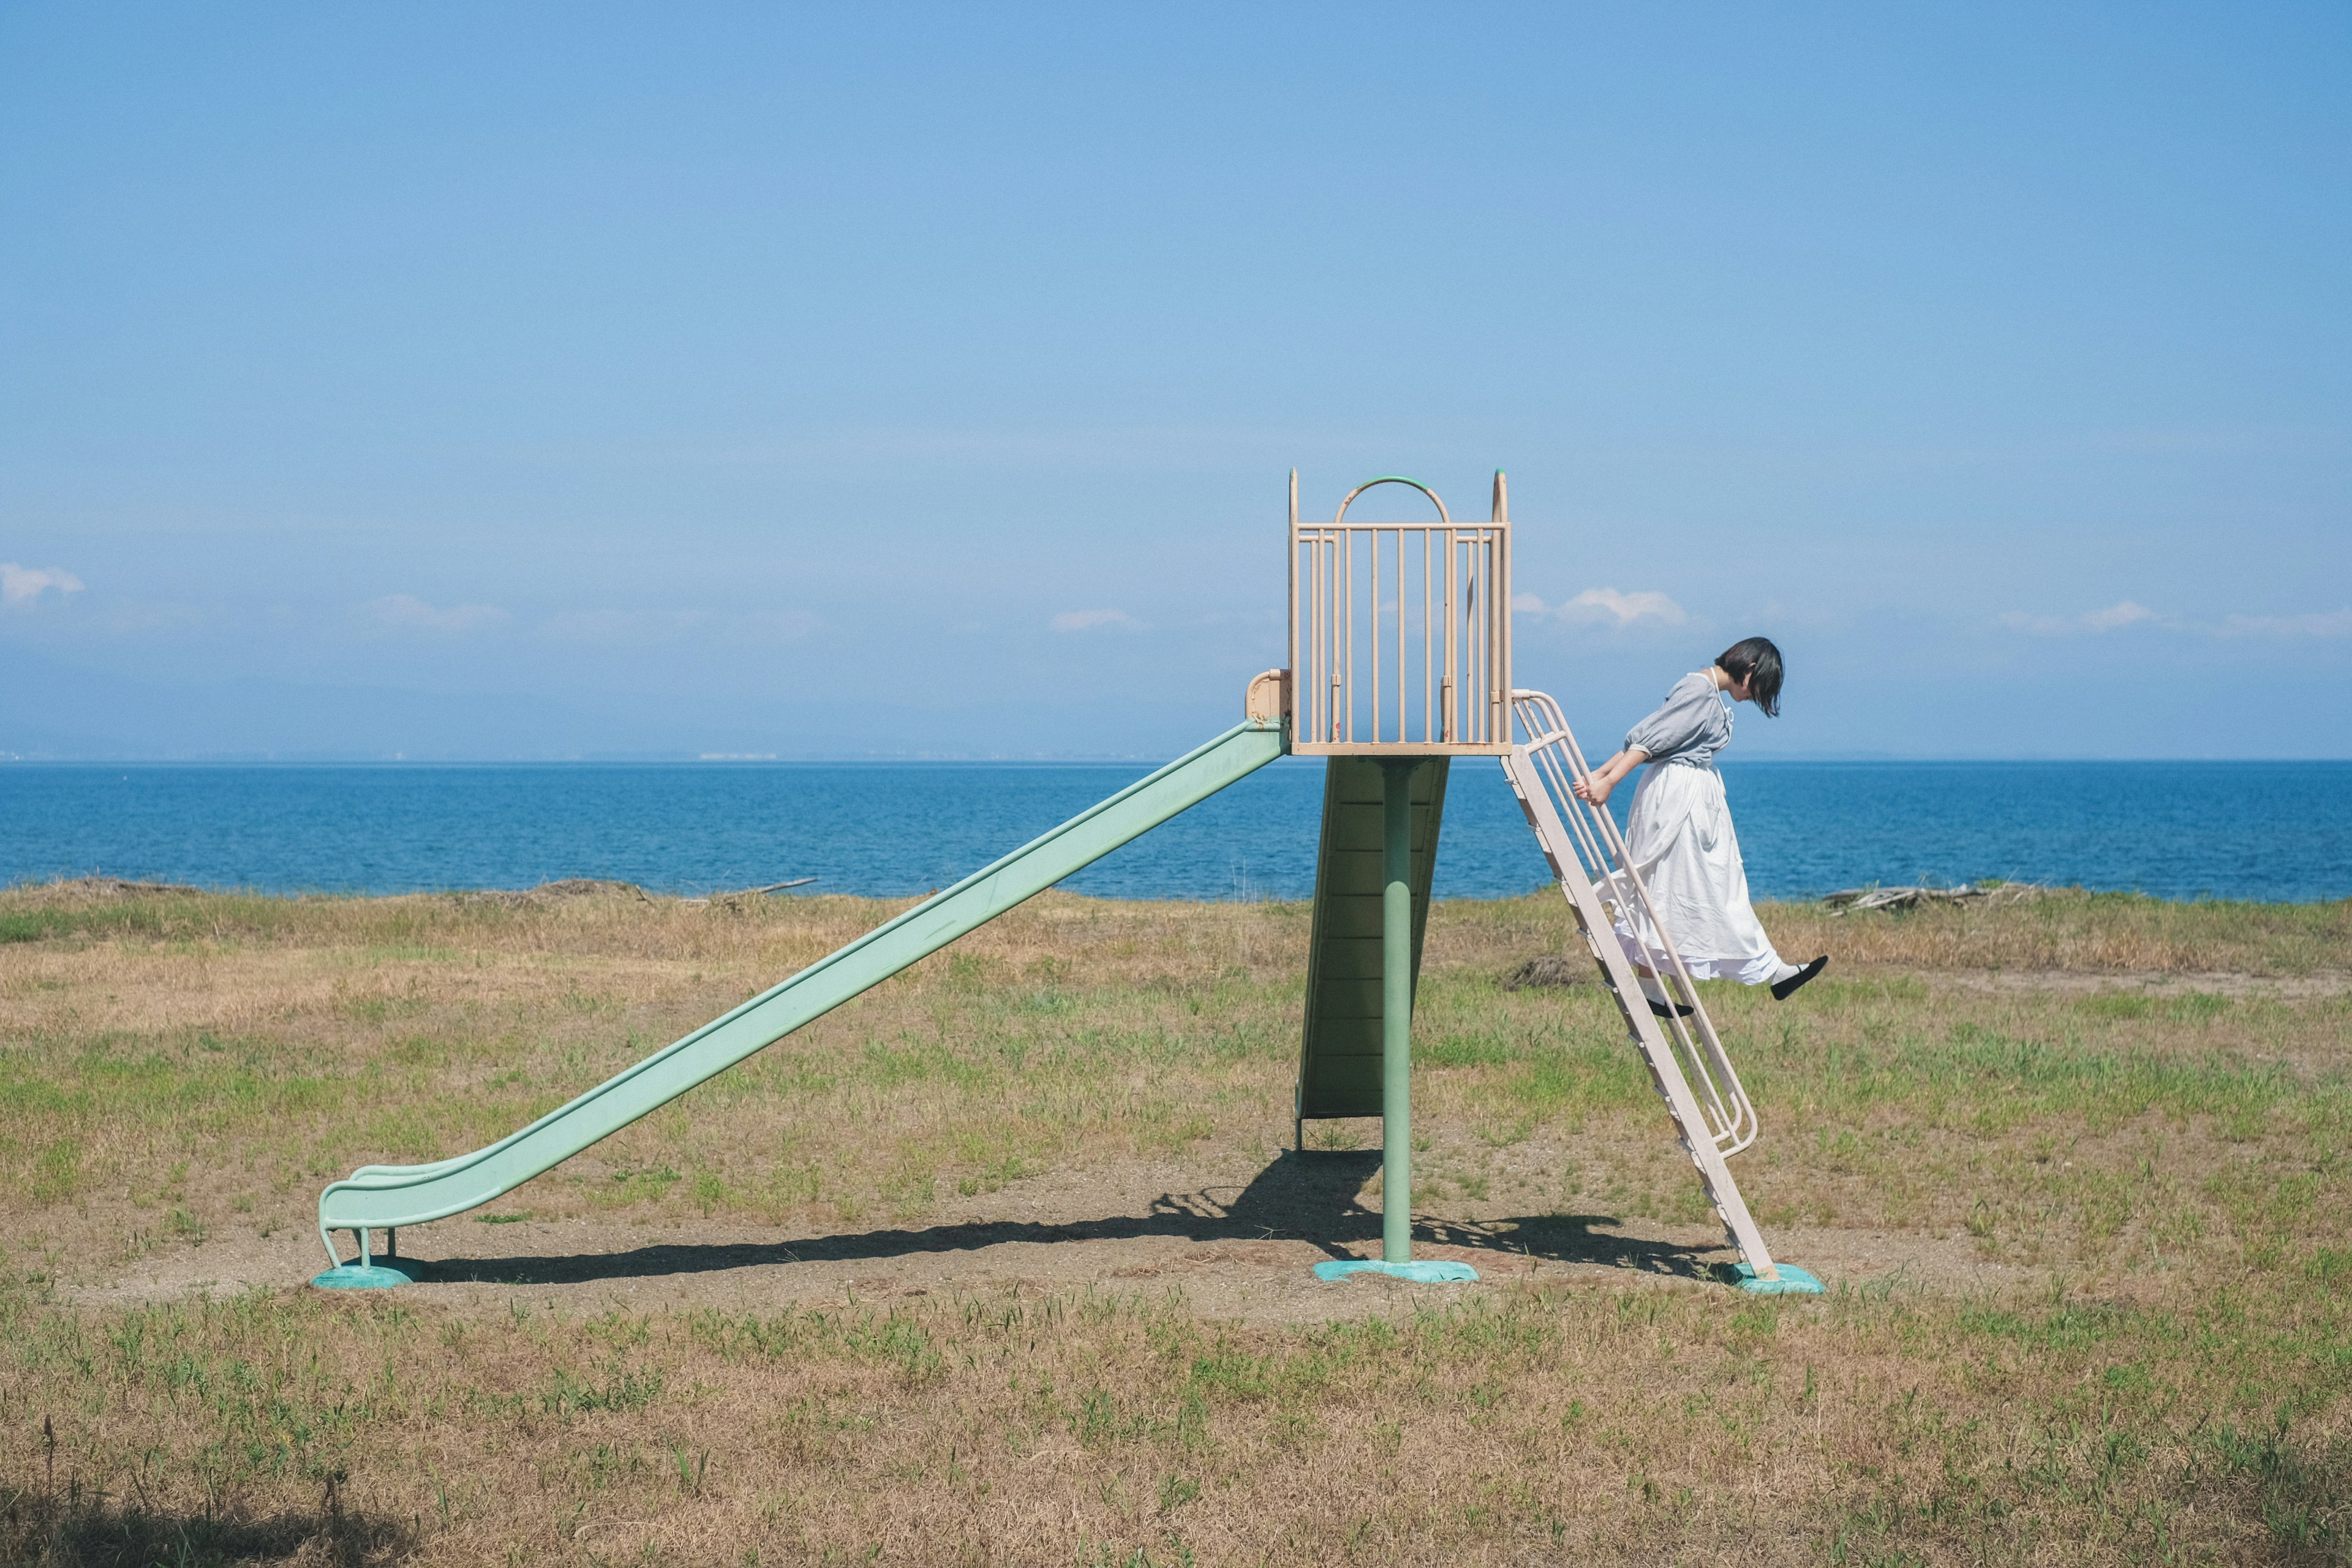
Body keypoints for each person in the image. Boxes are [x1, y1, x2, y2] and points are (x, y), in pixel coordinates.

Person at [1570, 637, 1828, 1015]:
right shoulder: (1700, 690)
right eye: (1759, 687)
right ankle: (1773, 971)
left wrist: (1602, 773)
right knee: (1701, 887)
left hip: (1683, 796)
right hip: (1680, 800)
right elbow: (1648, 741)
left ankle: (1653, 987)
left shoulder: (1704, 692)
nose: (1755, 697)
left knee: (1669, 886)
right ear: (1751, 669)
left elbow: (1652, 737)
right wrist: (1608, 782)